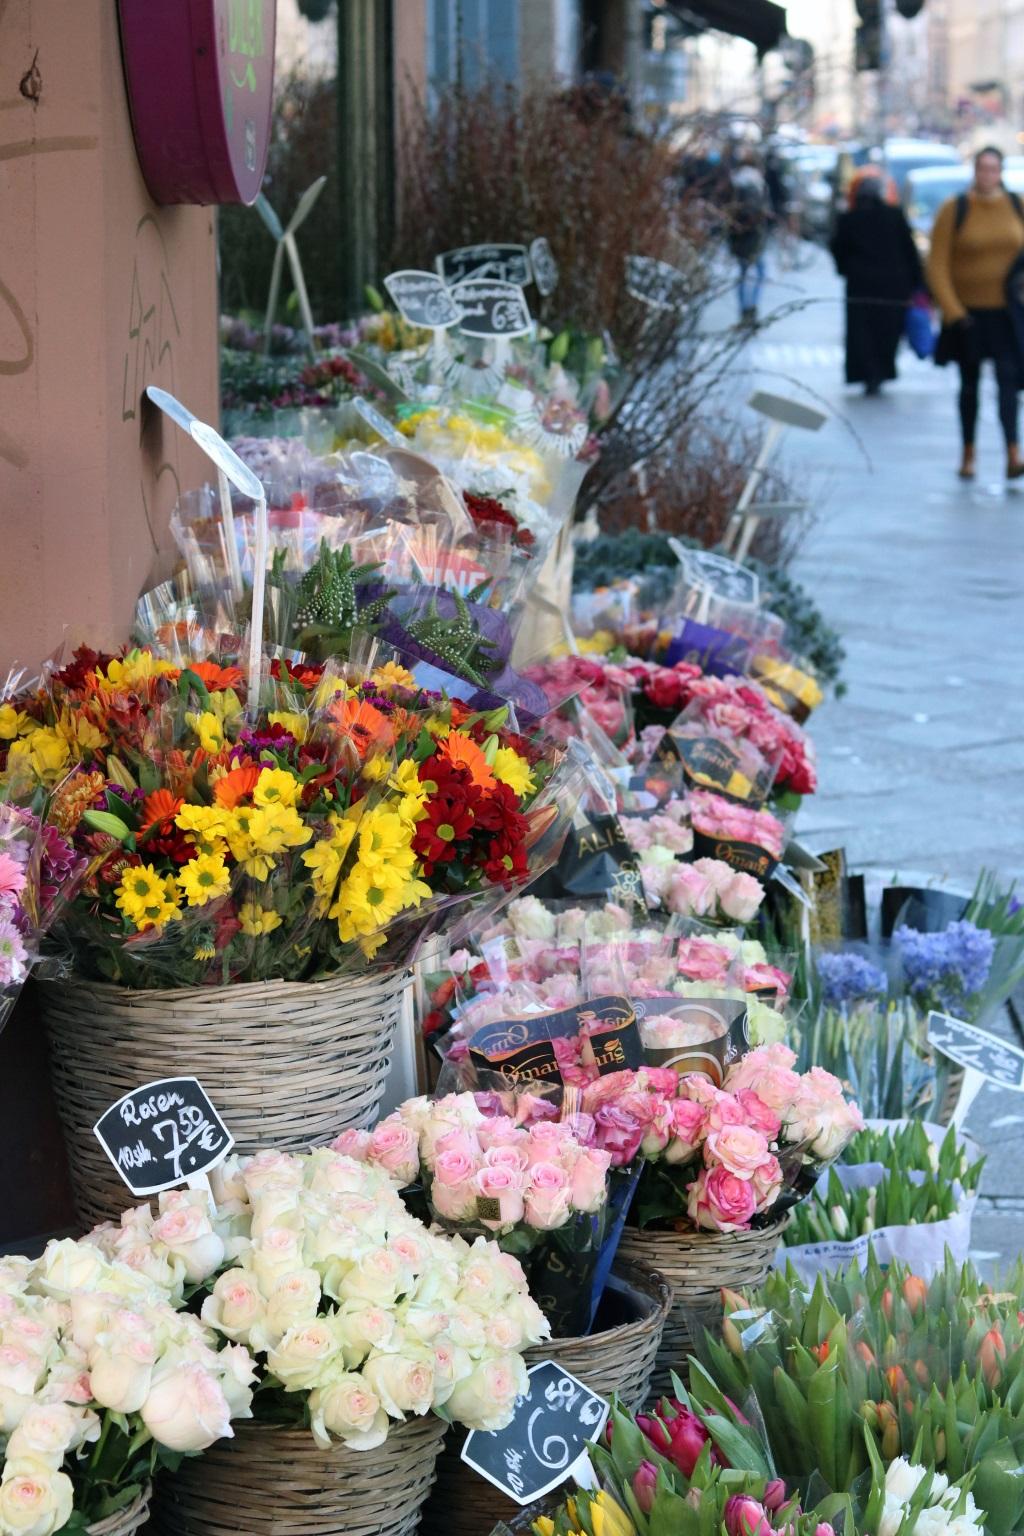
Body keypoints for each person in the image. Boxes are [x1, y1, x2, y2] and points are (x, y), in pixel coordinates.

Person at [928, 145, 1024, 480]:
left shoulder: (1016, 205)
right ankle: (968, 453)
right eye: (982, 168)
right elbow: (937, 264)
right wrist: (953, 311)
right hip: (968, 315)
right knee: (969, 387)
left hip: (1007, 314)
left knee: (1009, 384)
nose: (988, 175)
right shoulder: (955, 208)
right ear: (974, 171)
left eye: (994, 169)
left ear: (1002, 171)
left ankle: (1013, 452)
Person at [830, 167, 923, 396]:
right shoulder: (894, 215)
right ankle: (881, 370)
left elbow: (837, 248)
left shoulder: (849, 219)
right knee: (887, 331)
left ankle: (867, 372)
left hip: (861, 285)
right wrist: (917, 282)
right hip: (893, 286)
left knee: (862, 331)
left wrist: (846, 270)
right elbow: (909, 250)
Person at [727, 150, 770, 326]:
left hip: (738, 236)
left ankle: (745, 310)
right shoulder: (754, 184)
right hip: (753, 237)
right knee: (759, 273)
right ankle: (749, 309)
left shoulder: (735, 183)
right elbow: (755, 212)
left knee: (744, 274)